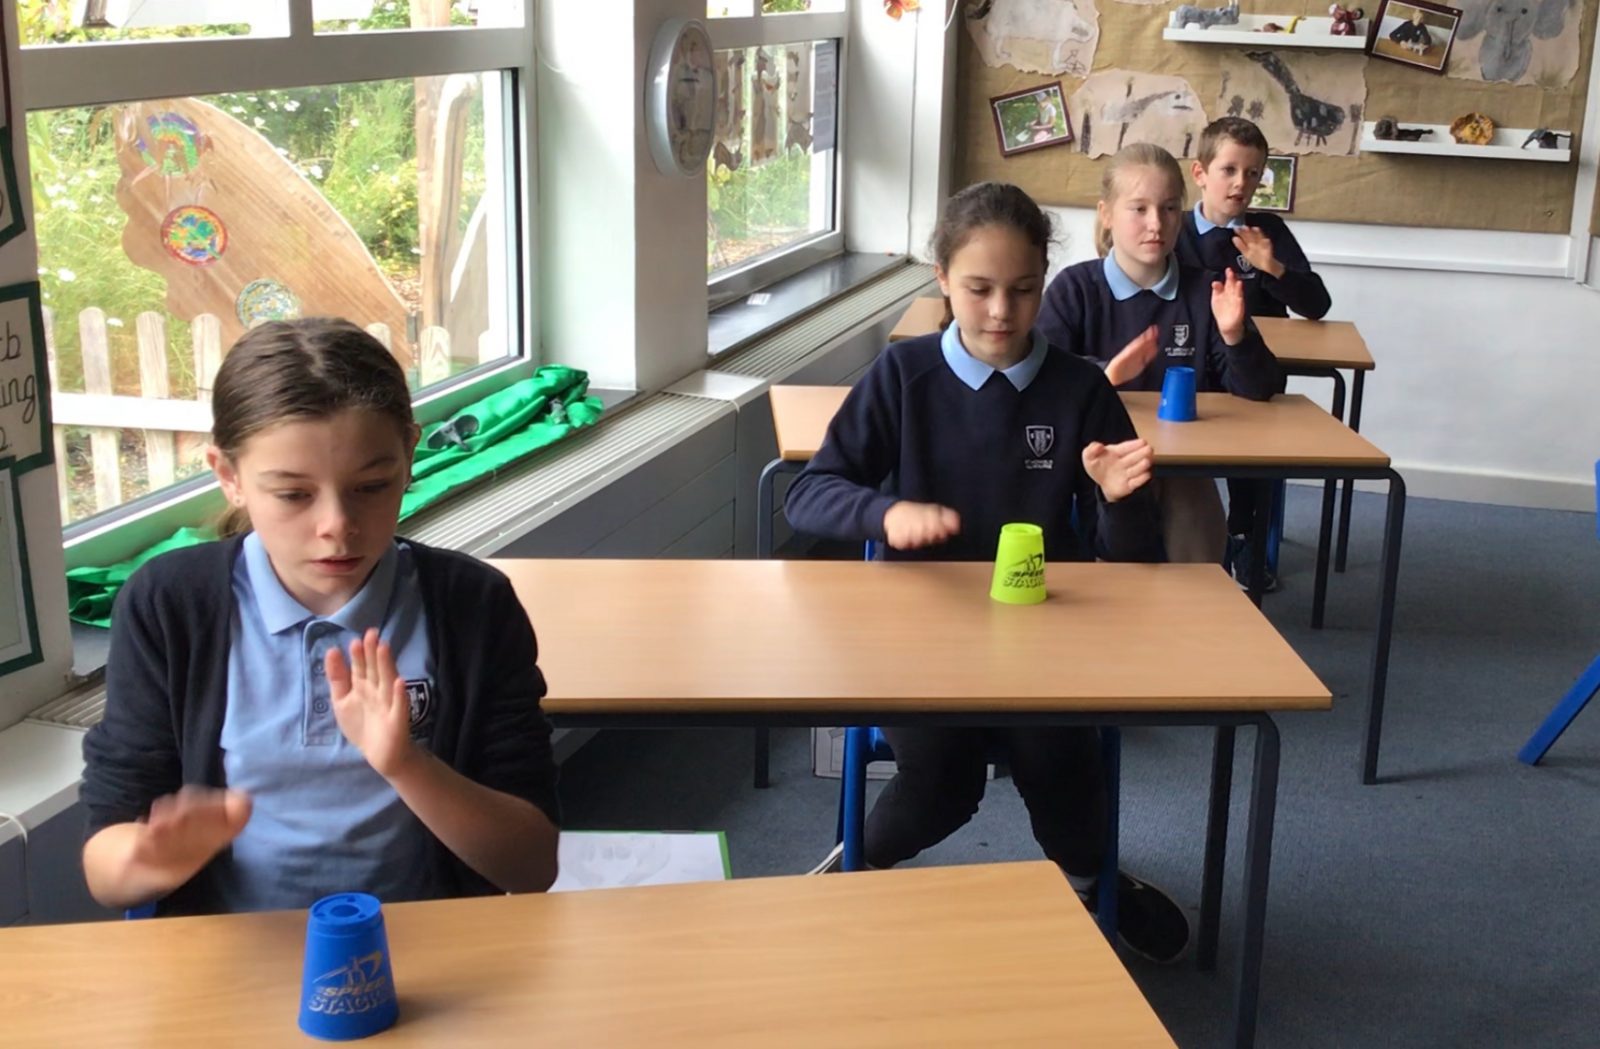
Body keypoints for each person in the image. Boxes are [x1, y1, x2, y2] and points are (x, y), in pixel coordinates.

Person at [785, 181, 1190, 964]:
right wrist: (883, 514)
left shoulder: (1080, 387)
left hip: (1046, 636)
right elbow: (809, 493)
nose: (1002, 311)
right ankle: (856, 867)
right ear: (942, 277)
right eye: (979, 289)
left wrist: (1119, 500)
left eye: (1023, 289)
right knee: (940, 782)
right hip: (919, 636)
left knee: (1060, 765)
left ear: (1045, 279)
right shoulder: (903, 376)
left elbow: (1133, 563)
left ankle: (1089, 878)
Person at [80, 318, 561, 915]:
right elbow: (107, 870)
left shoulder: (471, 603)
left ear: (409, 454)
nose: (337, 525)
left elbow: (531, 866)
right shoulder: (169, 603)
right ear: (228, 476)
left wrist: (406, 764)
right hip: (236, 948)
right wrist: (147, 859)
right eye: (293, 495)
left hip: (424, 942)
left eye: (372, 485)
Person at [1036, 141, 1283, 566]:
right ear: (1107, 214)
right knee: (1121, 514)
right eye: (1139, 209)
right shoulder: (1073, 290)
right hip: (1095, 463)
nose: (1156, 224)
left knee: (1188, 501)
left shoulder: (1206, 290)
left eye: (1169, 209)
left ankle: (1194, 602)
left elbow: (1260, 390)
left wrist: (1235, 336)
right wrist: (1104, 375)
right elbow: (1039, 380)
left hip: (1182, 465)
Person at [1177, 117, 1331, 586]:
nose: (1240, 183)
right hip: (1189, 367)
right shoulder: (1174, 230)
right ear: (1200, 172)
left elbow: (1317, 304)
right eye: (1228, 170)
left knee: (1256, 452)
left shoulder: (1267, 231)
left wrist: (1273, 268)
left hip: (1252, 372)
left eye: (1252, 173)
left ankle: (1244, 536)